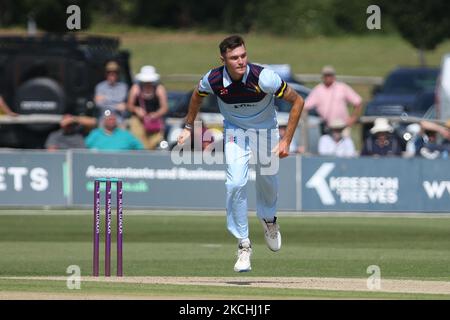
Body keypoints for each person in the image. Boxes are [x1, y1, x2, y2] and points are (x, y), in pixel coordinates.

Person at [177, 35, 304, 272]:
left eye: (243, 55)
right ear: (223, 59)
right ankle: (243, 244)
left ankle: (269, 220)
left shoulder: (263, 77)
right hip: (236, 131)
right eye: (234, 57)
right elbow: (196, 96)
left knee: (267, 180)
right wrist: (187, 127)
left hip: (267, 131)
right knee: (235, 183)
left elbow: (298, 101)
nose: (240, 61)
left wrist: (287, 140)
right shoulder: (213, 79)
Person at [304, 65, 362, 132]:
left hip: (343, 126)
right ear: (323, 77)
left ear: (334, 76)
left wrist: (353, 118)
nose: (328, 77)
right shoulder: (318, 90)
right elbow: (305, 106)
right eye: (326, 75)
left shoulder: (342, 87)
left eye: (330, 75)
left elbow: (358, 102)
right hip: (326, 128)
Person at [127, 66, 169, 150]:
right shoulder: (136, 88)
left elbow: (165, 108)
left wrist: (156, 114)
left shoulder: (159, 89)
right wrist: (136, 110)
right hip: (138, 121)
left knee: (154, 144)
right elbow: (129, 106)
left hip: (154, 123)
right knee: (139, 144)